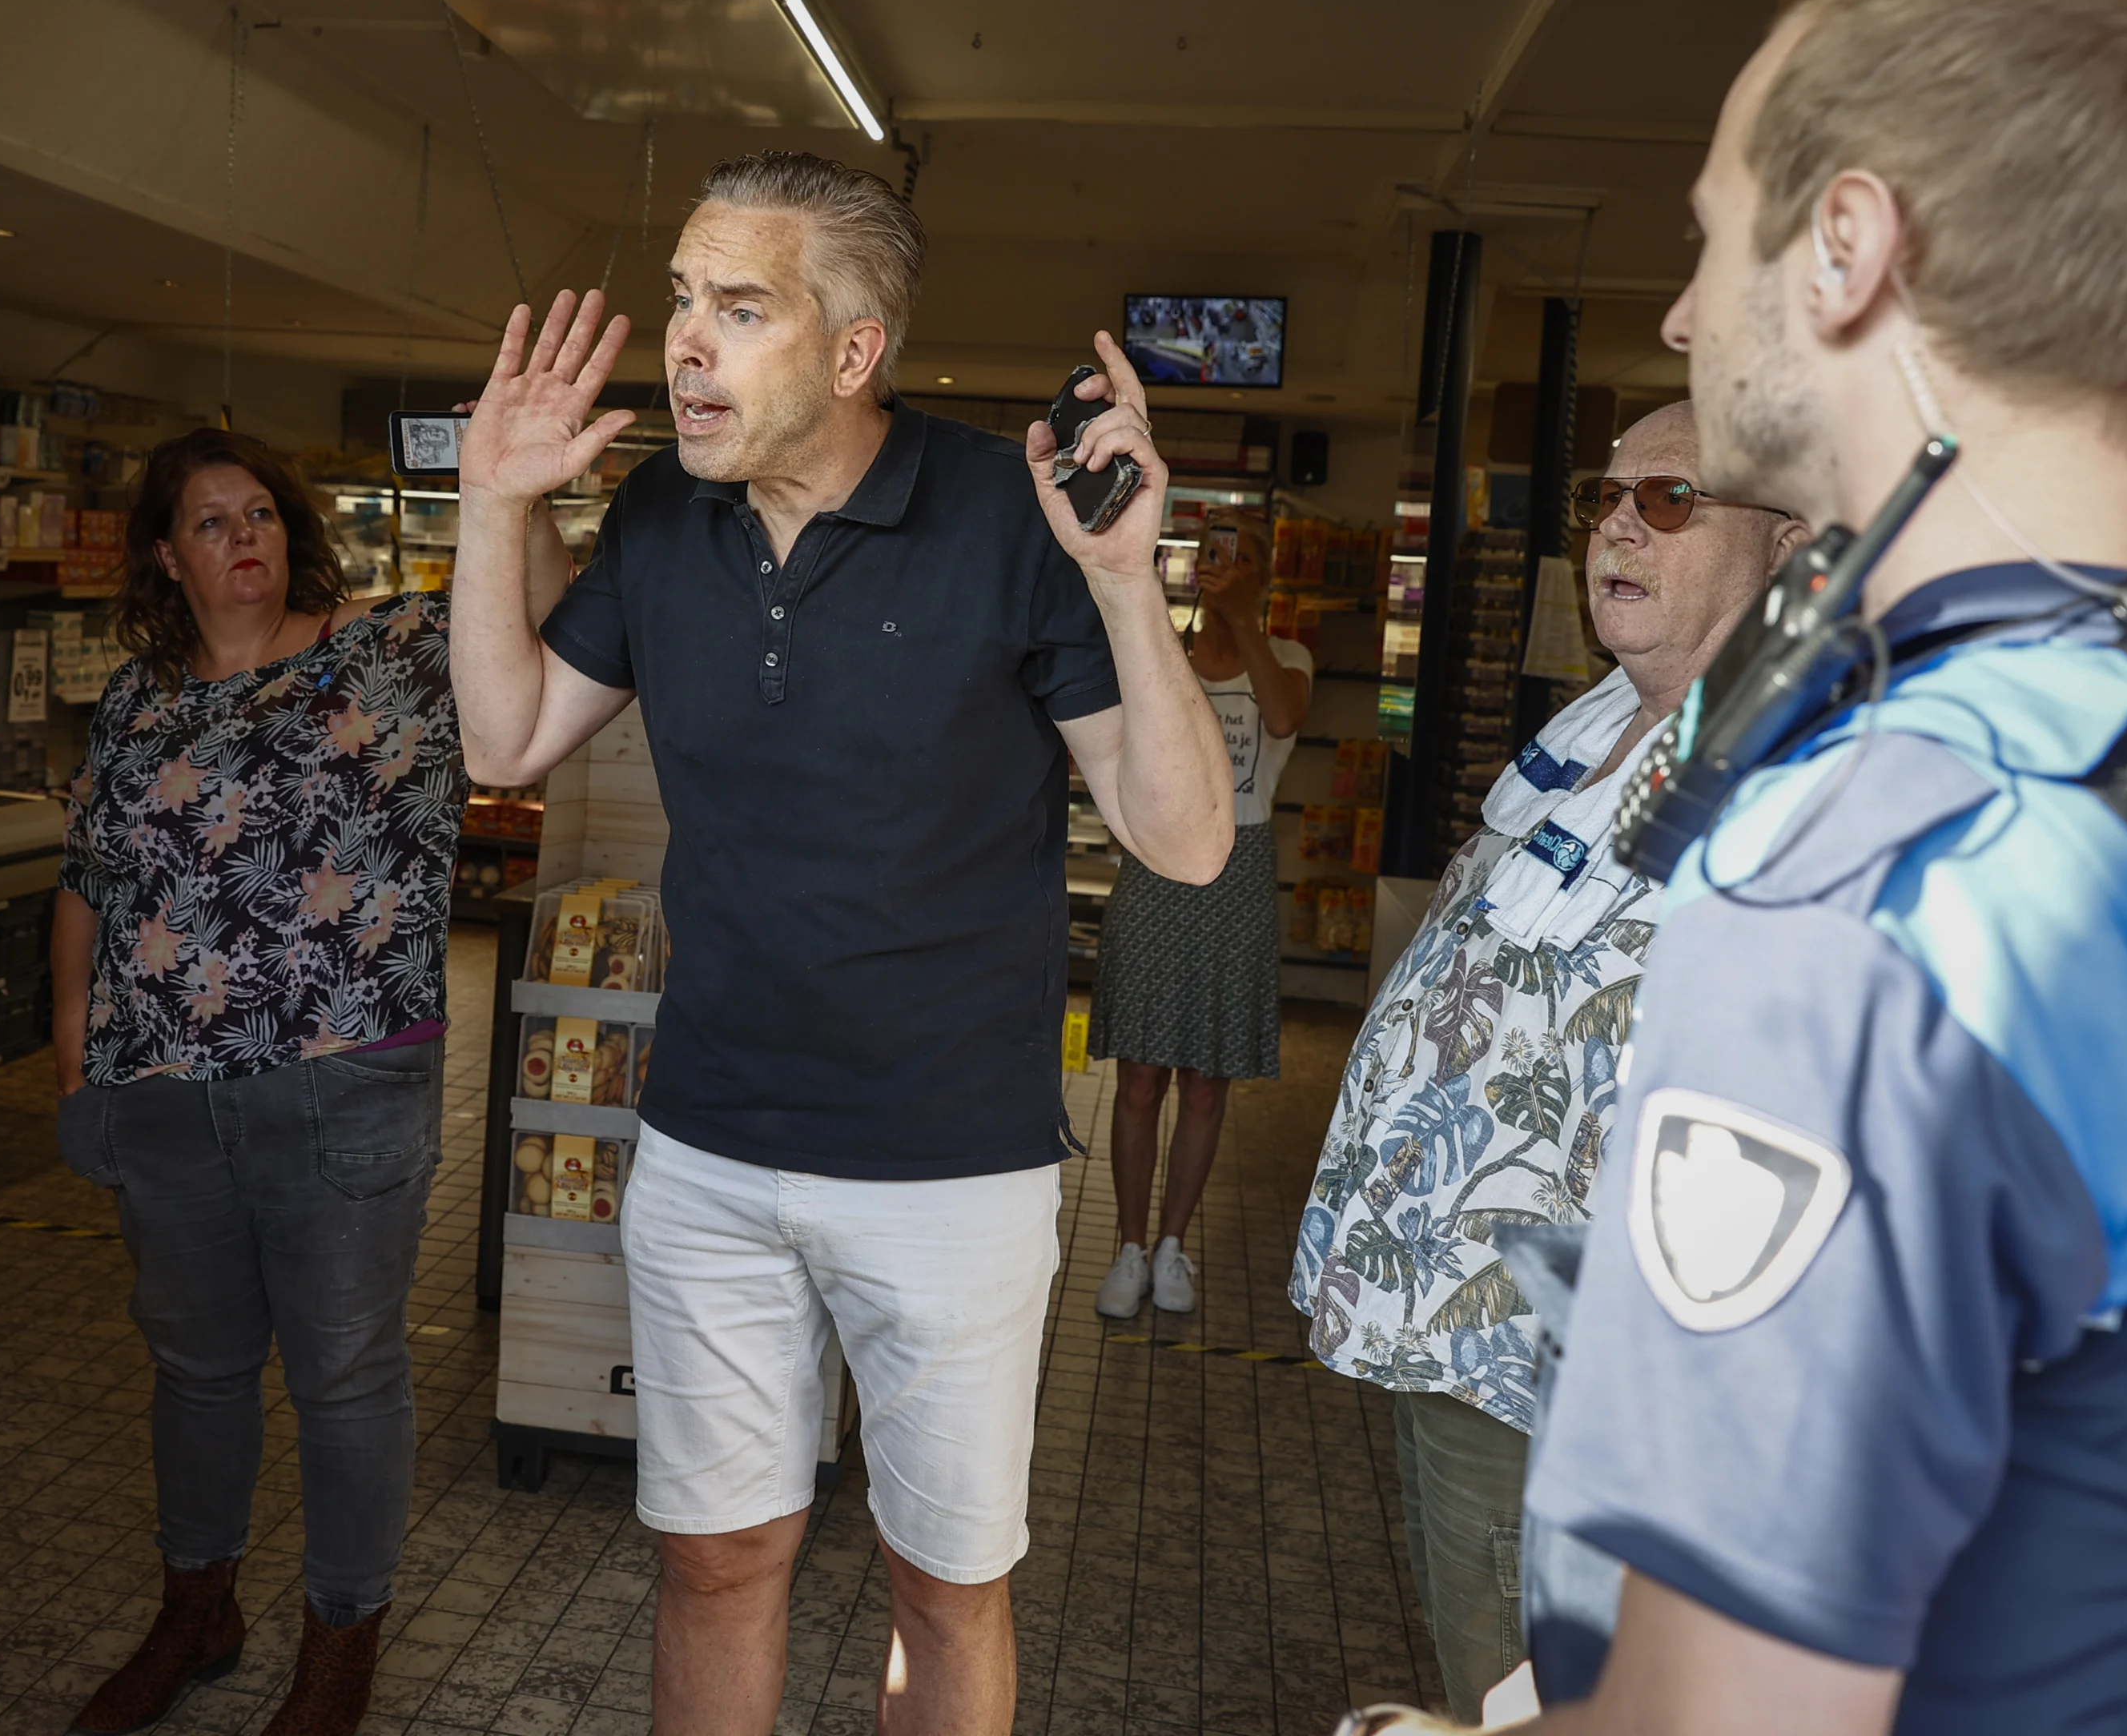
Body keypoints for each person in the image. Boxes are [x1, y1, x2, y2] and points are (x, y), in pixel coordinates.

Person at [1341, 0, 2127, 1735]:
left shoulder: (1856, 869)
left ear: (1850, 249)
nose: (1678, 315)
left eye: (1713, 238)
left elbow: (1732, 1714)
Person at [452, 151, 1233, 1736]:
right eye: (683, 298)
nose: (686, 340)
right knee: (716, 1557)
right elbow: (509, 731)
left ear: (853, 349)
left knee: (946, 1587)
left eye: (739, 307)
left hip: (952, 1164)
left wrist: (1127, 581)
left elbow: (1186, 836)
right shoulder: (668, 514)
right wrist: (492, 501)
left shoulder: (1010, 522)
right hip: (711, 1149)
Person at [51, 427, 569, 1736]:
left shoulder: (399, 648)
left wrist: (524, 489)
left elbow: (560, 622)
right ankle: (197, 1609)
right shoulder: (136, 697)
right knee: (196, 1369)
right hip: (162, 1087)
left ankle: (340, 1656)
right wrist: (75, 1037)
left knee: (344, 1374)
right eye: (212, 522)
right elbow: (90, 880)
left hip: (345, 1082)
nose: (245, 538)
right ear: (167, 557)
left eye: (263, 515)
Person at [1293, 401, 1803, 1714]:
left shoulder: (1794, 770)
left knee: (1553, 1694)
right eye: (1606, 495)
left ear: (1789, 542)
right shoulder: (1598, 725)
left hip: (1589, 1383)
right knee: (1486, 1672)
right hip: (1456, 1326)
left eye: (1672, 498)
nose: (1619, 523)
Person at [1091, 534, 1315, 1320]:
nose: (1221, 563)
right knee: (1141, 1076)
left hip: (1241, 864)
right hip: (1155, 863)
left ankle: (1172, 1244)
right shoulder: (1163, 652)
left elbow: (1284, 714)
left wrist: (1244, 620)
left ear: (1262, 573)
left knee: (1207, 1082)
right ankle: (1126, 1242)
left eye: (1239, 553)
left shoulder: (1284, 654)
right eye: (1211, 551)